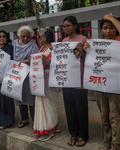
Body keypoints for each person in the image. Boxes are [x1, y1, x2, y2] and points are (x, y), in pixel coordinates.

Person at [84, 13, 120, 150]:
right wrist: (85, 50)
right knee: (104, 117)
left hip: (116, 88)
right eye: (105, 28)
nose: (108, 30)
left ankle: (116, 145)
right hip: (100, 87)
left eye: (111, 27)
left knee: (115, 117)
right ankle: (107, 142)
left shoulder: (118, 41)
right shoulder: (96, 45)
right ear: (101, 30)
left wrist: (111, 18)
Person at [19, 28, 60, 141]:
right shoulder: (43, 48)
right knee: (45, 104)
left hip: (48, 80)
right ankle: (52, 125)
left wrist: (44, 61)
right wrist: (27, 61)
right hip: (40, 80)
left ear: (45, 38)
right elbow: (38, 61)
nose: (39, 38)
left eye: (40, 36)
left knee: (49, 104)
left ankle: (49, 129)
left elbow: (56, 66)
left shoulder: (52, 48)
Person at [61, 16, 88, 147]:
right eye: (64, 26)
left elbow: (89, 60)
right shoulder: (64, 41)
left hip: (80, 80)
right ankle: (73, 134)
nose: (65, 28)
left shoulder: (83, 39)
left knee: (81, 109)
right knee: (69, 109)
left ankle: (83, 135)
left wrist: (82, 50)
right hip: (67, 81)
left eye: (68, 25)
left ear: (75, 26)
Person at [13, 25, 39, 128]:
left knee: (31, 99)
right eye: (23, 36)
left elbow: (37, 58)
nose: (25, 39)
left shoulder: (33, 45)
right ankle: (24, 119)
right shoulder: (14, 44)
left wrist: (27, 61)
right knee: (20, 98)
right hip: (17, 75)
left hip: (29, 76)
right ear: (19, 36)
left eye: (28, 37)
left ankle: (34, 121)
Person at [0, 30, 15, 130]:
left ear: (7, 37)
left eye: (3, 36)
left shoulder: (10, 48)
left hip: (5, 78)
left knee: (5, 99)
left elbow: (7, 59)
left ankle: (7, 121)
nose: (1, 38)